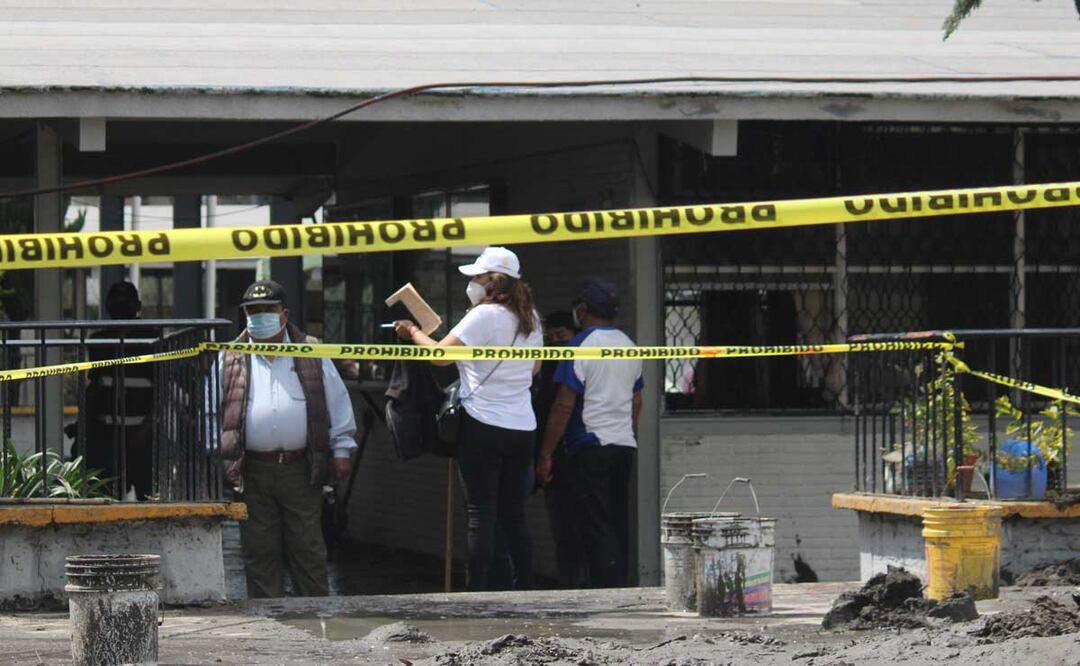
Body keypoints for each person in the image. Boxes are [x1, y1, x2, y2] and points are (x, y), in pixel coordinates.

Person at [394, 246, 543, 591]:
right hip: (523, 427)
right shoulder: (531, 317)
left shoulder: (483, 316)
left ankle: (476, 593)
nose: (471, 284)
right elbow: (535, 367)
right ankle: (527, 590)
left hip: (483, 425)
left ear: (491, 281)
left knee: (481, 513)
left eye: (475, 277)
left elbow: (440, 358)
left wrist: (413, 332)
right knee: (514, 513)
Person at [216, 279, 357, 598]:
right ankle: (268, 626)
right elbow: (212, 413)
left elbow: (337, 404)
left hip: (301, 468)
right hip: (251, 470)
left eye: (268, 310)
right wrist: (216, 456)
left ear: (283, 314)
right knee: (259, 551)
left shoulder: (310, 351)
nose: (259, 316)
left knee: (307, 548)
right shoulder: (230, 357)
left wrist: (342, 450)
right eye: (253, 311)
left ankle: (316, 619)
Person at [537, 278, 643, 588]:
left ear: (581, 310)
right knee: (617, 519)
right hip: (623, 447)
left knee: (592, 525)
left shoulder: (579, 345)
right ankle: (619, 586)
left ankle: (602, 592)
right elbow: (637, 401)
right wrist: (625, 432)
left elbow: (564, 405)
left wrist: (545, 454)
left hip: (589, 447)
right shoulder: (630, 345)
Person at [78, 281, 159, 500]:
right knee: (103, 499)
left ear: (138, 305)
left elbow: (161, 391)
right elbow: (94, 386)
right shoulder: (99, 341)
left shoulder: (152, 340)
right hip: (105, 436)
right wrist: (83, 426)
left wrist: (147, 428)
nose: (121, 304)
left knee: (150, 501)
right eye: (116, 299)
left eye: (126, 299)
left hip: (143, 438)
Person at [533, 311, 589, 588]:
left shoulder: (578, 363)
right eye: (551, 339)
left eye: (561, 337)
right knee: (563, 525)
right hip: (556, 454)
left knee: (576, 524)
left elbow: (563, 408)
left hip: (573, 450)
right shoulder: (543, 369)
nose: (556, 344)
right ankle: (571, 580)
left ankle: (578, 581)